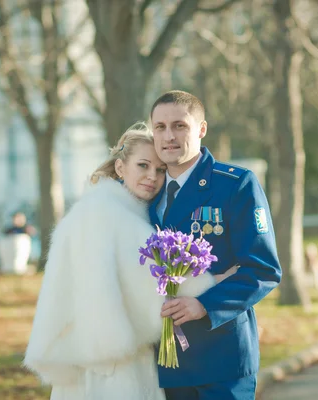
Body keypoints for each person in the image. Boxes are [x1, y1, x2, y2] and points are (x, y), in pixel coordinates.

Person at [22, 122, 219, 400]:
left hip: (89, 358)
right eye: (143, 165)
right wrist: (213, 280)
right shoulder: (111, 215)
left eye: (160, 169)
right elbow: (153, 289)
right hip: (114, 365)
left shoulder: (98, 209)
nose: (152, 176)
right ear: (119, 168)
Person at [148, 90, 282, 400]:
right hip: (167, 365)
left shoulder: (235, 185)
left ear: (201, 129)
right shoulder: (146, 192)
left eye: (179, 126)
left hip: (221, 357)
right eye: (160, 127)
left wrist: (204, 305)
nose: (169, 136)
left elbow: (263, 270)